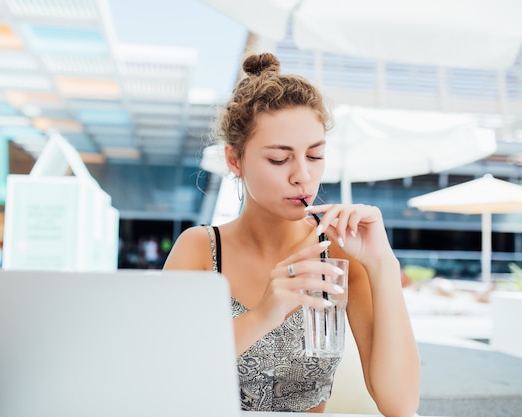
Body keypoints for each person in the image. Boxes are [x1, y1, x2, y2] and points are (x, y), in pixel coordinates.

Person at [163, 53, 420, 416]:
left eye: (315, 156)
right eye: (279, 160)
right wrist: (263, 315)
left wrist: (382, 263)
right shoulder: (200, 249)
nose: (303, 176)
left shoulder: (341, 256)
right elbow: (166, 378)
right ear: (235, 160)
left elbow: (400, 405)